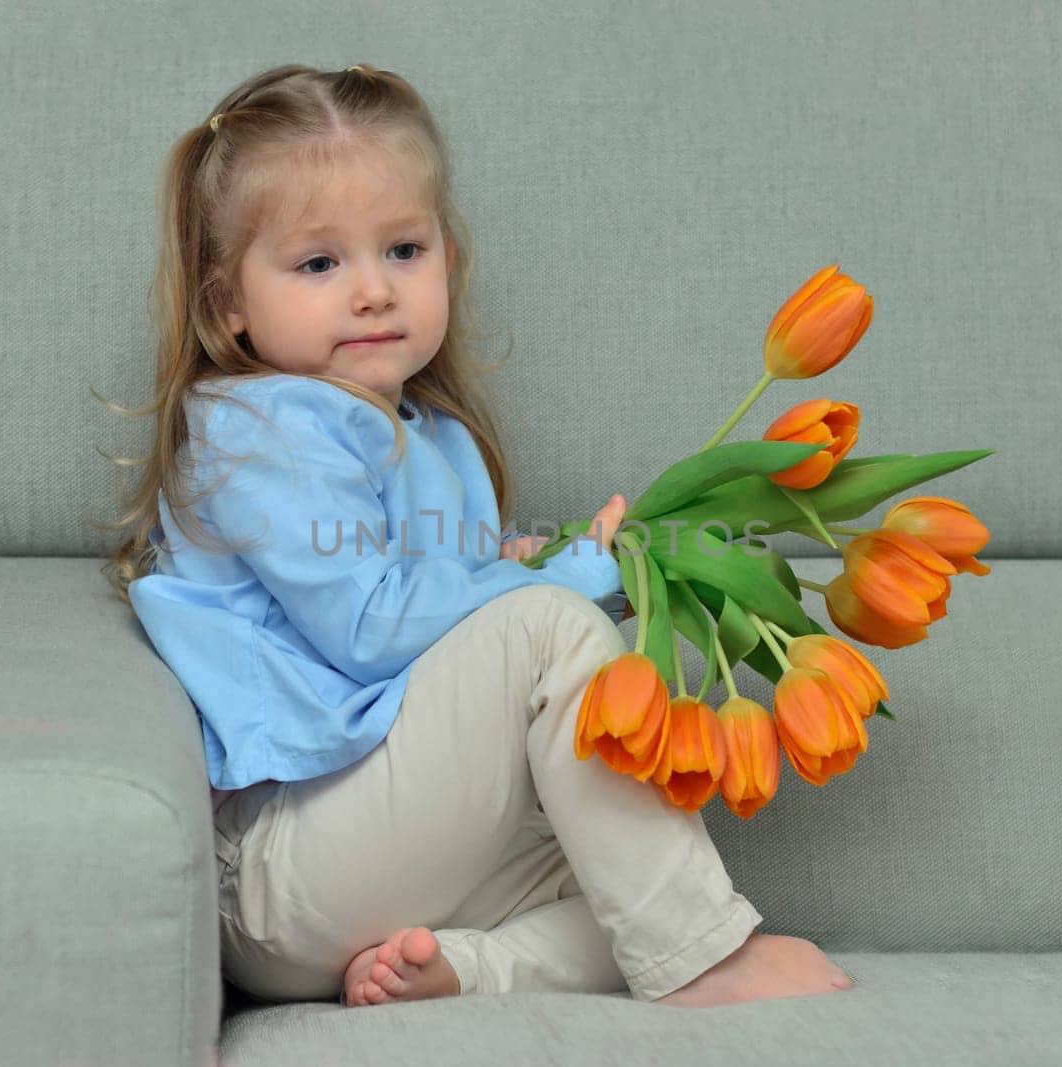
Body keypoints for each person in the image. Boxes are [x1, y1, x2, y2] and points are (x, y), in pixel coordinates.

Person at [101, 62, 853, 1009]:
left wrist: (546, 563)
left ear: (447, 255)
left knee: (618, 865)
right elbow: (370, 628)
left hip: (391, 862)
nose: (374, 289)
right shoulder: (260, 429)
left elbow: (443, 613)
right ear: (228, 308)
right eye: (319, 263)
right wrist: (550, 594)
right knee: (550, 633)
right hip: (282, 867)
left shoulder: (434, 435)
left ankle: (460, 968)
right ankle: (705, 961)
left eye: (404, 249)